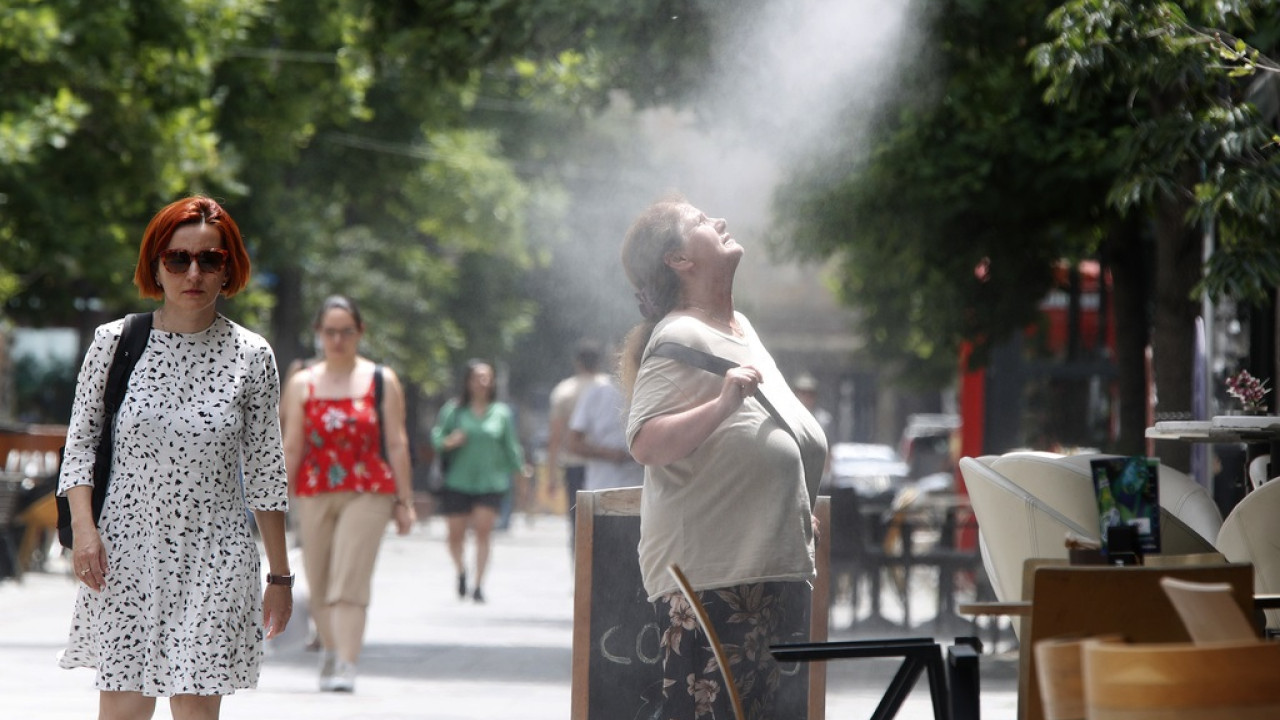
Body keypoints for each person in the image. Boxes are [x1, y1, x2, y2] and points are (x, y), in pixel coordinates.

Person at [57, 195, 292, 719]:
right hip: (126, 554)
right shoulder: (114, 343)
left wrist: (279, 578)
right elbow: (80, 444)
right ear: (155, 266)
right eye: (177, 258)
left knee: (194, 713)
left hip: (215, 555)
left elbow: (267, 473)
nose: (194, 272)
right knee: (122, 713)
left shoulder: (251, 356)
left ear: (228, 269)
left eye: (210, 259)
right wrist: (83, 531)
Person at [620, 197, 828, 719]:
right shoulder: (679, 333)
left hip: (760, 570)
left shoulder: (741, 328)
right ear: (679, 260)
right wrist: (722, 403)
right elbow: (645, 441)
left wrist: (792, 506)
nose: (719, 222)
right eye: (699, 222)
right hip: (712, 579)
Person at [280, 295, 416, 692]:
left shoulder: (380, 380)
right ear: (318, 334)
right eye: (330, 332)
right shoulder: (302, 382)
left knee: (348, 579)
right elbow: (291, 445)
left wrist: (404, 502)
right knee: (319, 579)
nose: (338, 340)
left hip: (367, 488)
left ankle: (345, 662)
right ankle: (329, 651)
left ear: (360, 333)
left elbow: (398, 442)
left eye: (346, 332)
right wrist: (278, 502)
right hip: (313, 488)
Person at [431, 359, 526, 603]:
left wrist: (520, 472)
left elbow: (510, 446)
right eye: (478, 378)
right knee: (455, 537)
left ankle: (479, 584)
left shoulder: (501, 414)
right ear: (468, 382)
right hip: (458, 481)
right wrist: (450, 441)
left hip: (490, 482)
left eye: (487, 377)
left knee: (484, 533)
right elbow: (438, 439)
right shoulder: (455, 411)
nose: (483, 382)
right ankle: (462, 570)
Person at [546, 339, 609, 554]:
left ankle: (580, 576)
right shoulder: (610, 388)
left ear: (577, 362)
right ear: (600, 361)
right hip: (608, 465)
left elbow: (555, 438)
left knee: (578, 523)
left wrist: (552, 476)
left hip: (575, 467)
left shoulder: (565, 391)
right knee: (607, 521)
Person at [567, 377, 644, 491]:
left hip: (639, 489)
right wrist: (608, 454)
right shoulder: (597, 392)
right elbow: (574, 443)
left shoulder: (648, 390)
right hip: (602, 488)